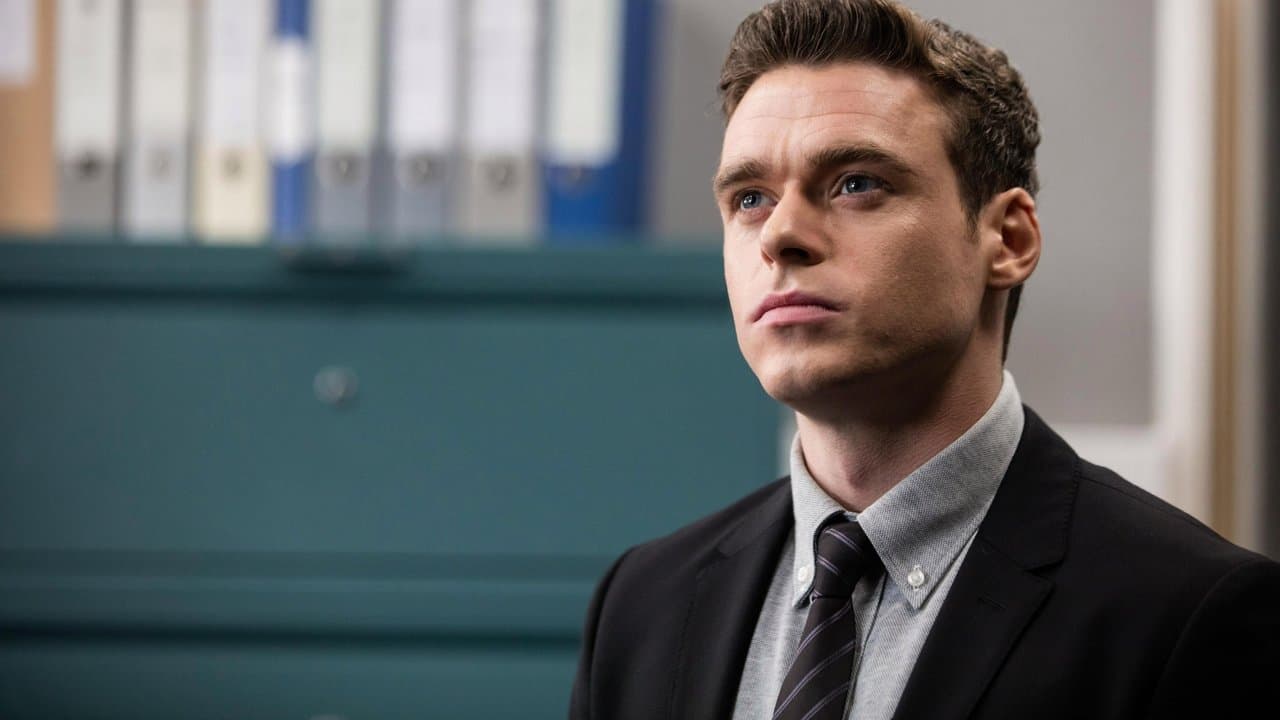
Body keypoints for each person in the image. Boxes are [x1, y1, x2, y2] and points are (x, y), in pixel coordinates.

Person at [568, 0, 1280, 718]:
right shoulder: (642, 606)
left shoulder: (1189, 614)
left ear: (1008, 239)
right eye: (750, 198)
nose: (779, 235)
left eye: (856, 183)